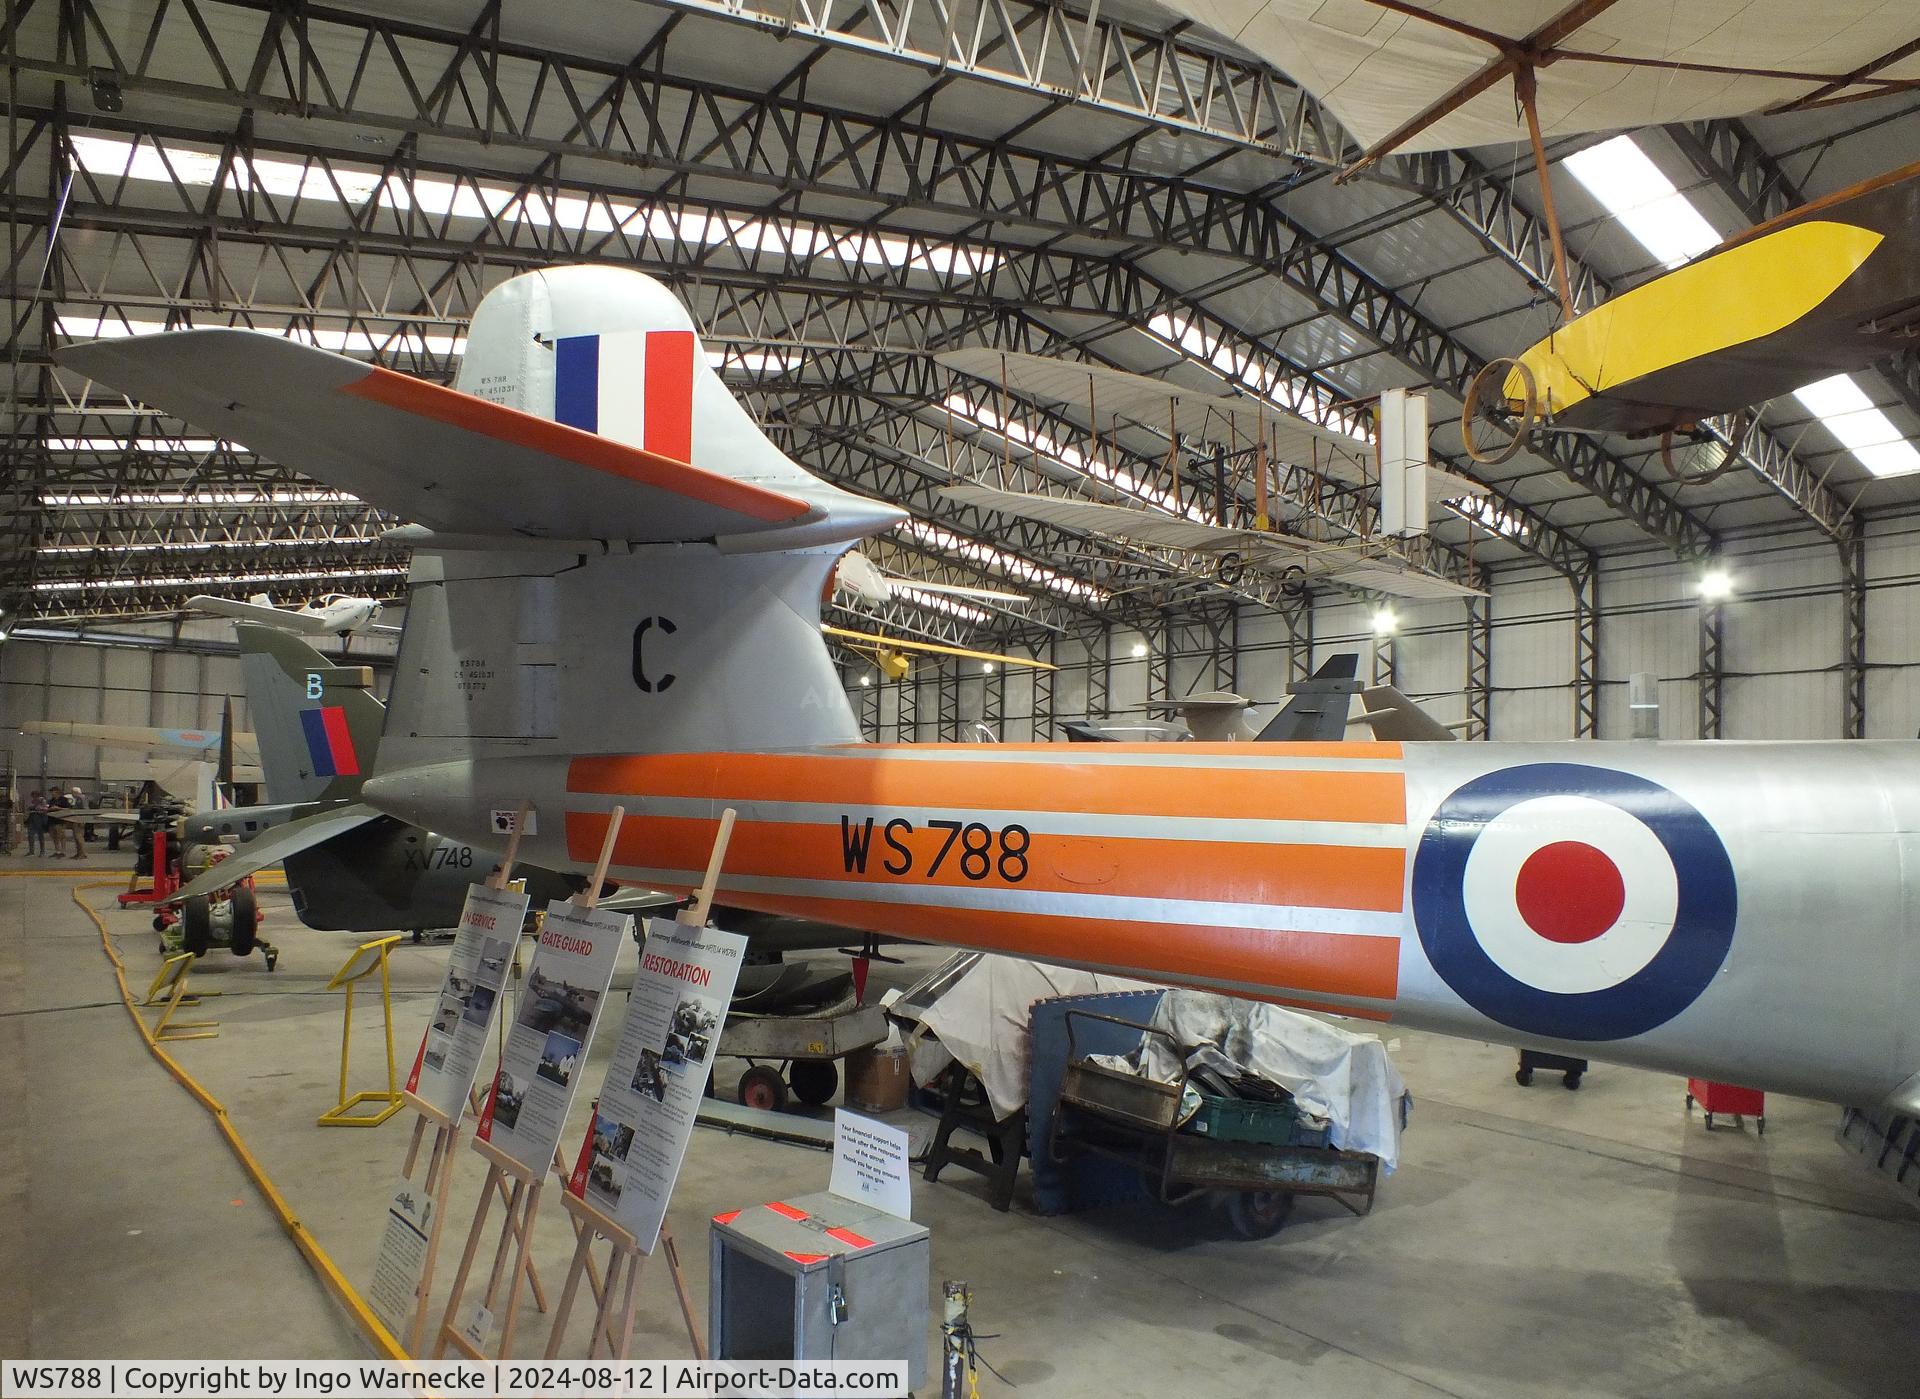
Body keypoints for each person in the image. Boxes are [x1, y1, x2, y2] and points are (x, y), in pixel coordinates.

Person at [25, 791, 49, 857]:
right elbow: (28, 808)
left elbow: (46, 809)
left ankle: (42, 851)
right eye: (32, 796)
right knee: (30, 835)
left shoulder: (42, 800)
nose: (33, 797)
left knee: (40, 836)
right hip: (32, 819)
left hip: (39, 819)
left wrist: (39, 808)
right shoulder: (32, 801)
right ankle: (31, 851)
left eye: (34, 796)